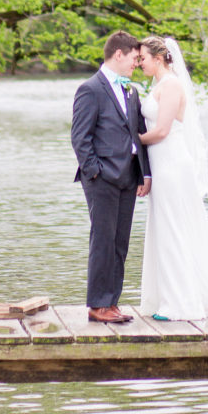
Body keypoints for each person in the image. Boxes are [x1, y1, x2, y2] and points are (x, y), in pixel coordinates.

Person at [137, 34, 208, 320]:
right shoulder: (159, 85)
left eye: (143, 58)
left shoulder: (171, 85)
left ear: (159, 58)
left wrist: (131, 142)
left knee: (173, 230)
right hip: (162, 166)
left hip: (172, 166)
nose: (139, 63)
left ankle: (181, 304)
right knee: (164, 229)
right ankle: (166, 297)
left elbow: (161, 131)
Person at [71, 30, 151, 323]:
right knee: (102, 240)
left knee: (120, 243)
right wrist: (95, 172)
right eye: (134, 58)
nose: (136, 64)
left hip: (129, 177)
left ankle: (112, 303)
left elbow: (136, 134)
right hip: (102, 178)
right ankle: (97, 305)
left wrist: (144, 173)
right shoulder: (90, 89)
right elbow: (80, 138)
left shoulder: (131, 91)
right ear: (119, 54)